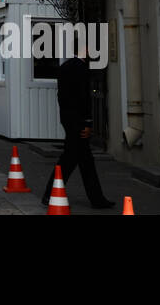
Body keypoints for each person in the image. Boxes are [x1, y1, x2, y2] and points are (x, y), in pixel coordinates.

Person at [42, 49, 114, 209]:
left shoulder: (65, 66)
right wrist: (87, 122)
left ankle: (97, 198)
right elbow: (84, 98)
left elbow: (61, 96)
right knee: (70, 160)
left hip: (68, 120)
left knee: (85, 161)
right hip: (79, 122)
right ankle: (51, 193)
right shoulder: (81, 69)